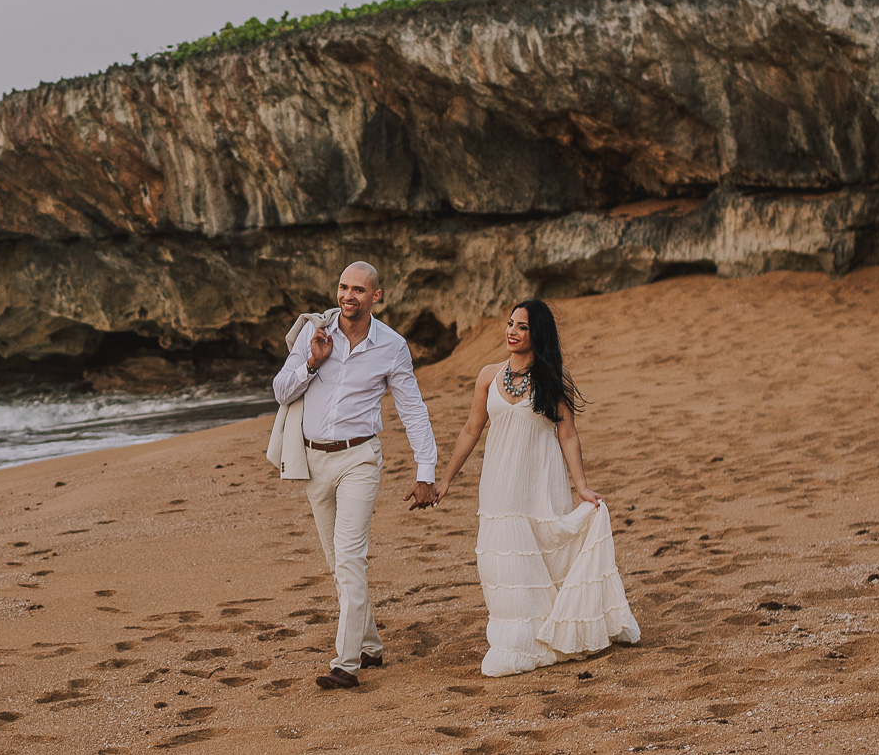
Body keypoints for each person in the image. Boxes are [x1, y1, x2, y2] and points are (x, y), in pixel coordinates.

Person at [432, 299, 640, 677]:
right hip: (498, 486)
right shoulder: (488, 376)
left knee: (543, 551)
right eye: (510, 324)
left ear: (537, 333)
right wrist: (445, 479)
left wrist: (582, 489)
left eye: (522, 327)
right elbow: (470, 430)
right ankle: (514, 642)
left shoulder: (553, 378)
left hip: (539, 483)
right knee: (502, 561)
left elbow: (568, 434)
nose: (511, 331)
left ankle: (543, 636)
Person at [270, 262, 439, 690]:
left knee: (350, 558)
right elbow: (280, 391)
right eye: (344, 287)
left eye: (359, 290)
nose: (349, 296)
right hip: (312, 462)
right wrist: (312, 360)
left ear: (375, 296)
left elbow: (412, 409)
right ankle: (370, 645)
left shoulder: (392, 346)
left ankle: (346, 663)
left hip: (359, 459)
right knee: (336, 562)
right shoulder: (315, 331)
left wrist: (426, 471)